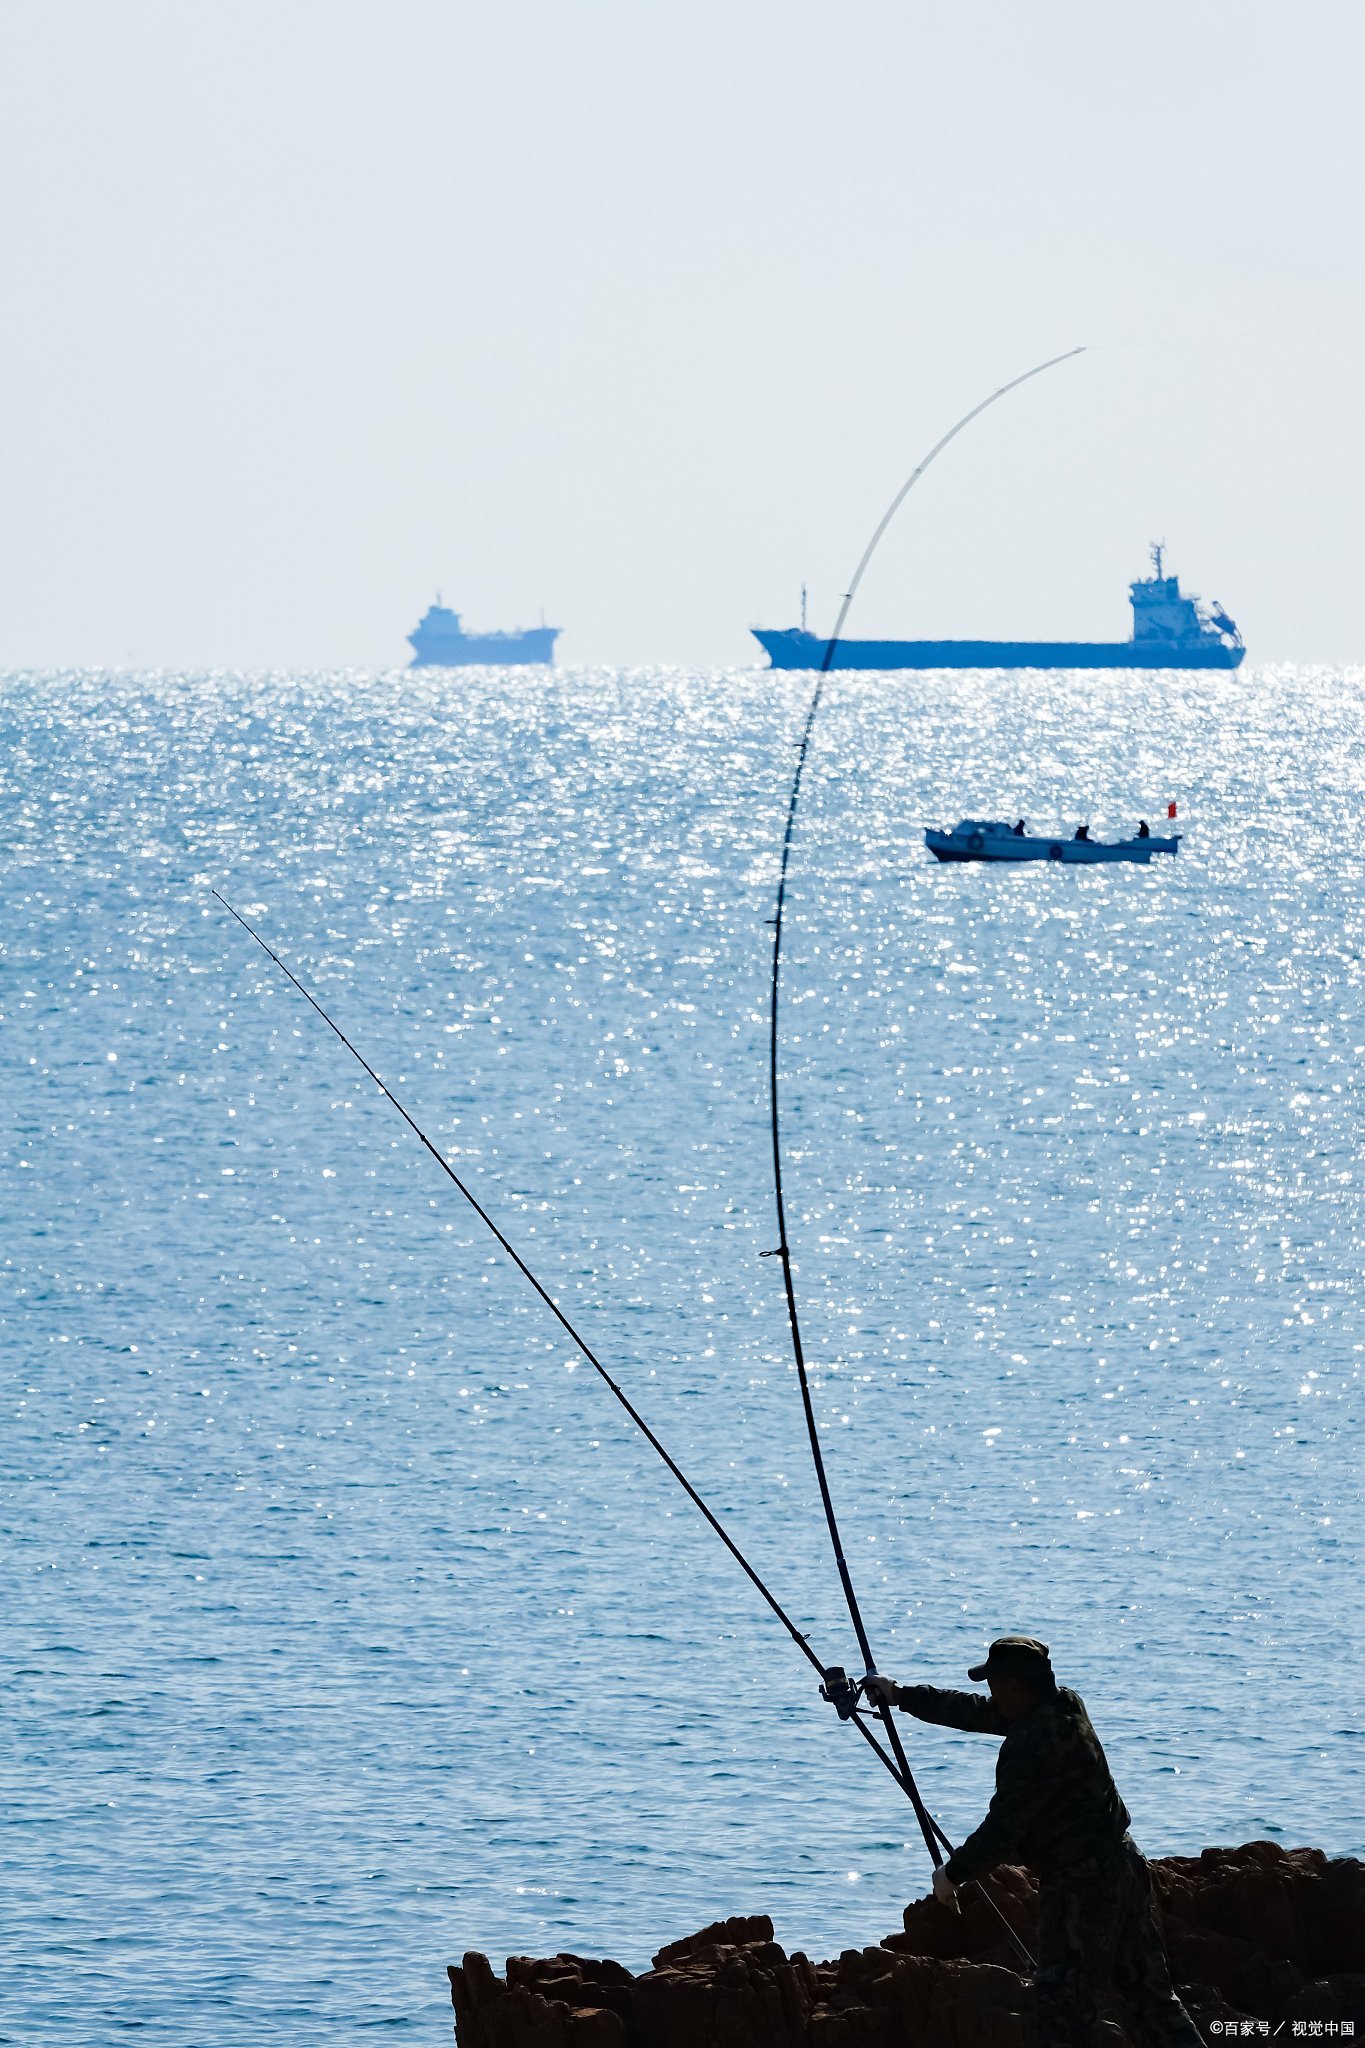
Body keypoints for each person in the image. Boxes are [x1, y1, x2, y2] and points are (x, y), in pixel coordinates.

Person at [864, 1638, 1203, 2047]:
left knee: (1063, 2012)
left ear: (1015, 1687)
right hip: (1125, 1865)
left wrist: (952, 1875)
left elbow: (1003, 1829)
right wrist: (901, 1695)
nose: (991, 1694)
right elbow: (977, 1711)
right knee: (1151, 1999)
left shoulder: (1032, 1745)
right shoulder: (1064, 1704)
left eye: (995, 1685)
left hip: (1081, 1887)